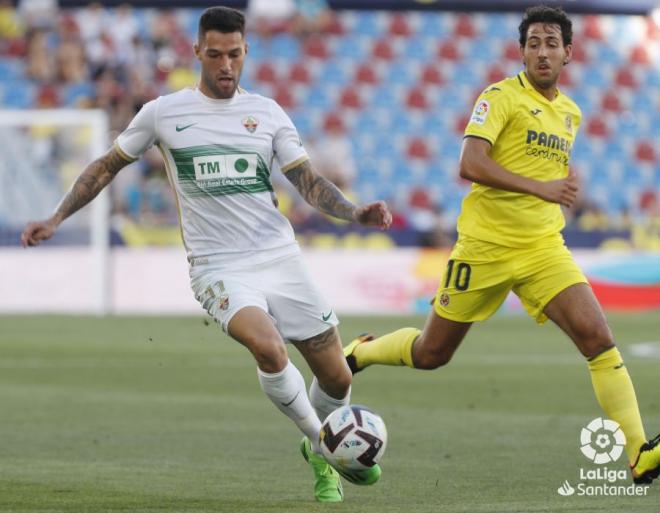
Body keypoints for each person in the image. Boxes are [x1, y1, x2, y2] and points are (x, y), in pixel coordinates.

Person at [21, 6, 392, 503]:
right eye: (214, 54)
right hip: (218, 267)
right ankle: (324, 448)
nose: (225, 65)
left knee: (337, 375)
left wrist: (353, 212)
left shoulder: (267, 113)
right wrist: (57, 216)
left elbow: (307, 181)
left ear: (246, 52)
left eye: (234, 55)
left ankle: (318, 445)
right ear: (197, 51)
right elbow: (106, 166)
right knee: (268, 348)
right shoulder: (163, 112)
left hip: (279, 257)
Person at [343, 5, 659, 485]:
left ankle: (639, 453)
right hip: (484, 248)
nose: (542, 51)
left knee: (598, 339)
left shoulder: (570, 112)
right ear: (523, 51)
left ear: (569, 53)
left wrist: (555, 193)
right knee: (432, 354)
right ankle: (361, 353)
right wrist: (542, 189)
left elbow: (545, 174)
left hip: (543, 249)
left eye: (552, 43)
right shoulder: (499, 97)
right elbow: (470, 163)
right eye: (533, 43)